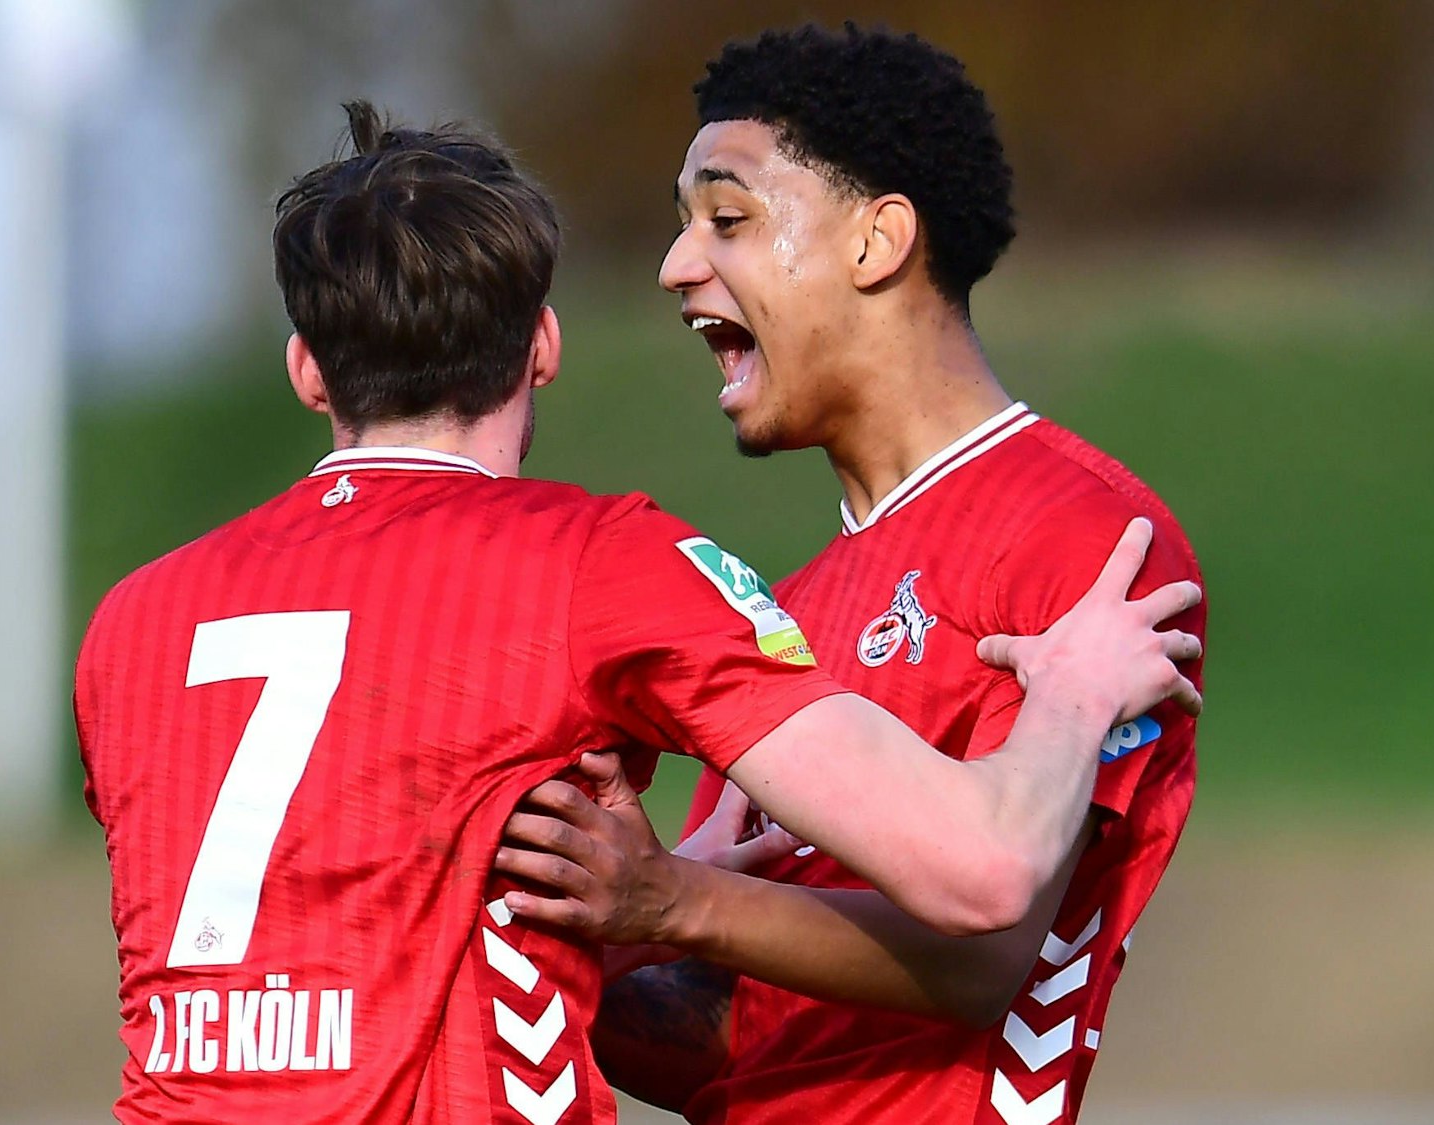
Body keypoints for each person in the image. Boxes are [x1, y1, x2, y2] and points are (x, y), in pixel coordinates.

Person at [73, 101, 1202, 1124]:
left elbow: (367, 936)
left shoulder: (130, 626)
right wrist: (1069, 692)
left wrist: (648, 898)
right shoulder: (597, 564)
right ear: (543, 348)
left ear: (307, 370)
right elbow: (984, 878)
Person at [492, 24, 1209, 1125]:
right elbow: (734, 1035)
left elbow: (987, 952)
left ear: (878, 240)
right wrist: (559, 912)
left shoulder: (1087, 544)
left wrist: (670, 897)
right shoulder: (780, 615)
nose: (676, 266)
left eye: (726, 219)